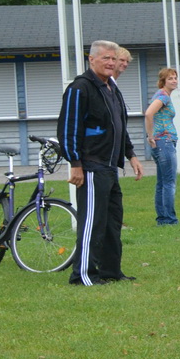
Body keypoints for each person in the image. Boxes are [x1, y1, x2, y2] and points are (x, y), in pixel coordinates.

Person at [58, 39, 144, 284]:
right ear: (92, 59)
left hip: (109, 167)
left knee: (111, 222)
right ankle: (83, 275)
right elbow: (68, 128)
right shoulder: (80, 88)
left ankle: (110, 272)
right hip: (91, 165)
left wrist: (131, 155)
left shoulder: (111, 88)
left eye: (114, 59)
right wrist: (75, 164)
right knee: (92, 222)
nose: (111, 63)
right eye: (106, 58)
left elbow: (119, 126)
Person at [145, 66, 180, 226]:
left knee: (162, 182)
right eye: (170, 78)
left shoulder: (162, 95)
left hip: (162, 142)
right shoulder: (163, 96)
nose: (174, 81)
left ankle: (163, 218)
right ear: (163, 81)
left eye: (175, 78)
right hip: (164, 142)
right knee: (169, 183)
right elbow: (148, 113)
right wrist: (150, 136)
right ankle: (169, 219)